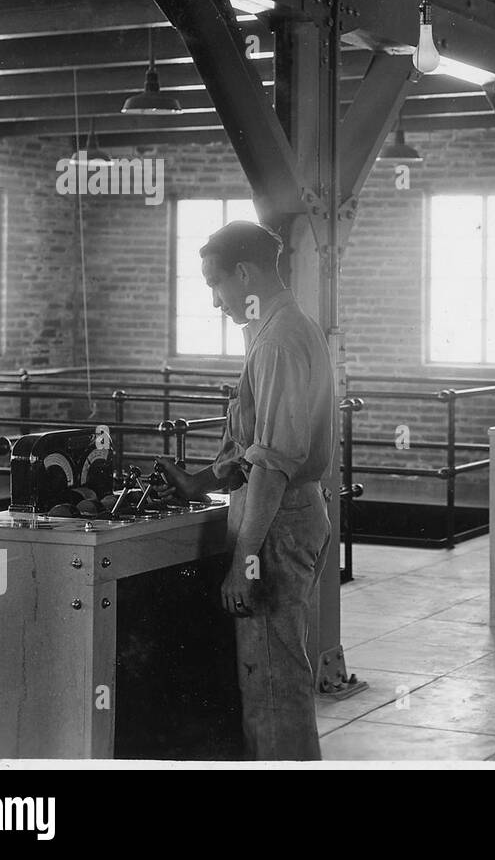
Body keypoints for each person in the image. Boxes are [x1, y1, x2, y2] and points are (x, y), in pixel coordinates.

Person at [156, 220, 334, 760]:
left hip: (276, 524)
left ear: (245, 273)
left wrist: (244, 562)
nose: (214, 300)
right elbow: (253, 446)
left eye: (216, 284)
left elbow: (275, 465)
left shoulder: (278, 340)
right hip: (278, 515)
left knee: (273, 683)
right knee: (269, 674)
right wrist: (200, 480)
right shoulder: (268, 329)